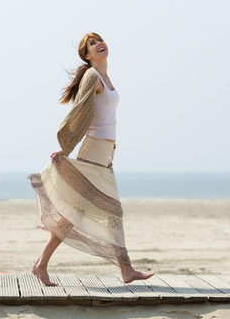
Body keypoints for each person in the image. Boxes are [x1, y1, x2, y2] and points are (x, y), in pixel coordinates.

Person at [27, 32, 154, 286]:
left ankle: (41, 265)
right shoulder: (92, 76)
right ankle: (126, 270)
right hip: (93, 152)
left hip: (104, 155)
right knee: (110, 211)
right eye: (92, 44)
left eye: (100, 40)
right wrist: (67, 147)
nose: (99, 44)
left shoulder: (105, 78)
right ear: (87, 55)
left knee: (77, 212)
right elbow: (81, 111)